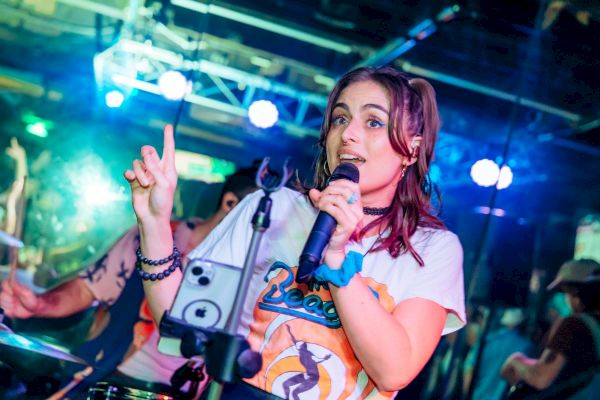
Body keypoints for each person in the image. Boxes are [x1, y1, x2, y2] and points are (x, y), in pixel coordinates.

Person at [125, 66, 466, 399]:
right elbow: (185, 328)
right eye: (340, 119)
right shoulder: (271, 207)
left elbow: (394, 371)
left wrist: (336, 256)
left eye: (373, 122)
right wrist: (154, 224)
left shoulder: (432, 248)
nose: (347, 134)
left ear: (412, 149)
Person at [0, 165, 261, 398]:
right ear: (230, 203)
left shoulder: (253, 275)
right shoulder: (152, 237)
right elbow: (87, 288)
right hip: (114, 379)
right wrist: (39, 305)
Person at [501, 259, 600, 399]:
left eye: (564, 293)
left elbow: (541, 378)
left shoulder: (574, 324)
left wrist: (515, 360)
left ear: (575, 292)